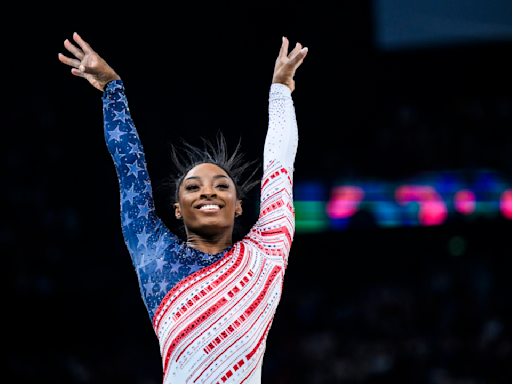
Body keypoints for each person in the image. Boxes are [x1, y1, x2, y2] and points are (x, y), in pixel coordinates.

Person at [58, 32, 307, 384]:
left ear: (238, 207)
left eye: (222, 186)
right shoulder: (156, 256)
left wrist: (281, 90)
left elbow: (280, 162)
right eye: (193, 187)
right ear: (177, 209)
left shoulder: (266, 254)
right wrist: (112, 89)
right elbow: (129, 172)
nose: (209, 192)